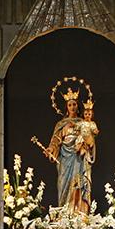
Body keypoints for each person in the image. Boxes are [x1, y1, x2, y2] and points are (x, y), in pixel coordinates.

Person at [44, 87, 91, 215]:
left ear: (78, 106)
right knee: (64, 183)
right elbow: (55, 141)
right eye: (70, 104)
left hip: (78, 158)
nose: (72, 107)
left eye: (74, 104)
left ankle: (78, 212)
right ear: (66, 107)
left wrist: (84, 144)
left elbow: (89, 139)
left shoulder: (82, 122)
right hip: (65, 159)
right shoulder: (61, 124)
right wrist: (51, 149)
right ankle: (65, 213)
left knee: (78, 183)